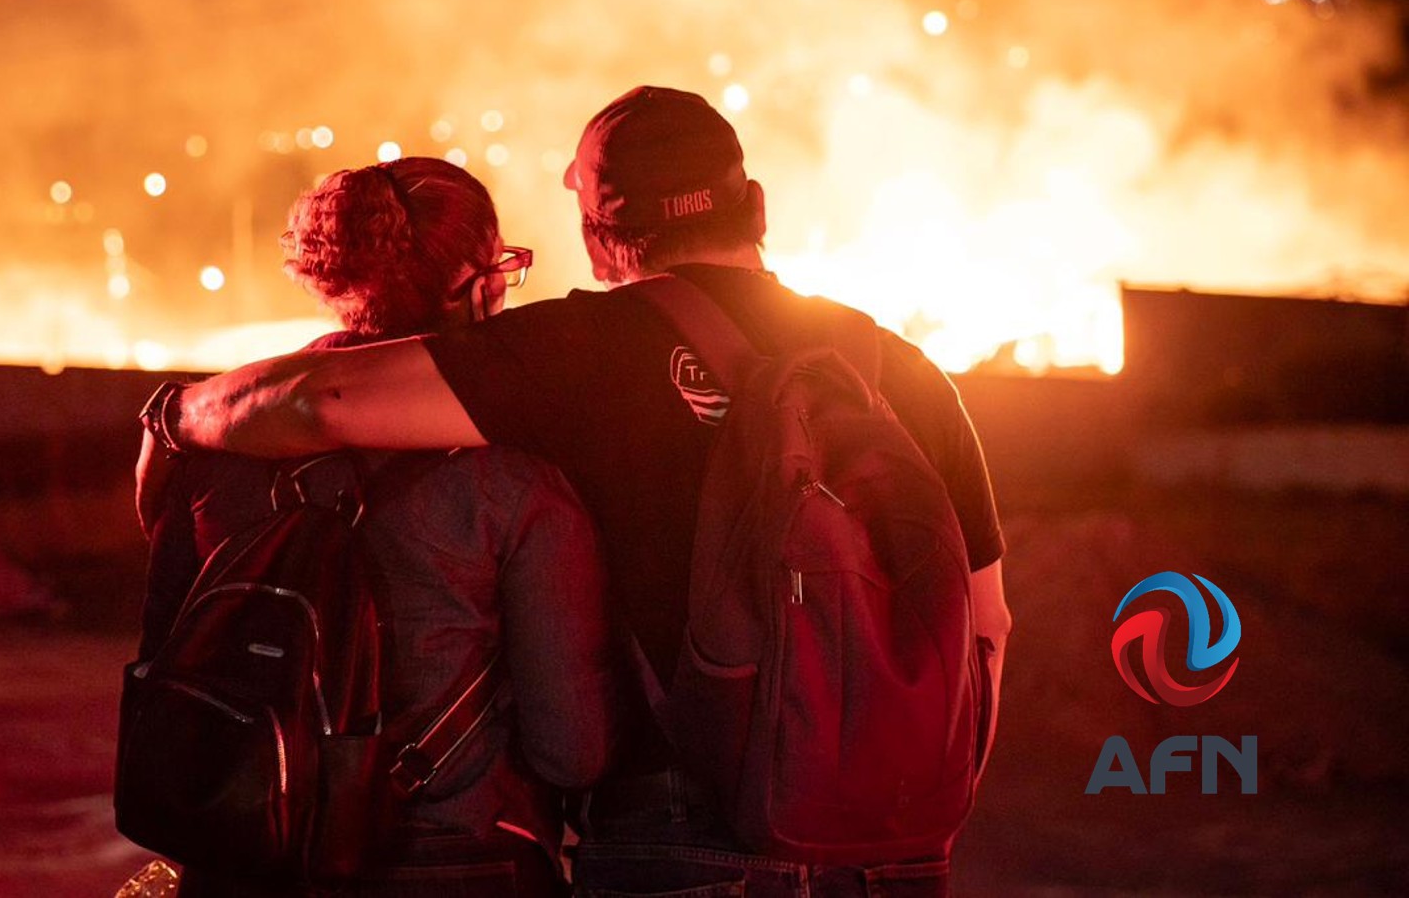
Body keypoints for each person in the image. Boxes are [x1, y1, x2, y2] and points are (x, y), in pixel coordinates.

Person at [138, 87, 1012, 897]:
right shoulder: (905, 371)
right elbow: (988, 626)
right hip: (900, 850)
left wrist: (175, 416)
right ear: (756, 207)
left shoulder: (578, 350)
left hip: (679, 839)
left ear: (599, 239)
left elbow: (321, 401)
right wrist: (904, 803)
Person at [135, 158, 623, 897]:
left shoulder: (219, 439)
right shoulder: (514, 483)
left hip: (248, 858)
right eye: (503, 265)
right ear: (473, 282)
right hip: (454, 866)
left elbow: (167, 647)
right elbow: (573, 750)